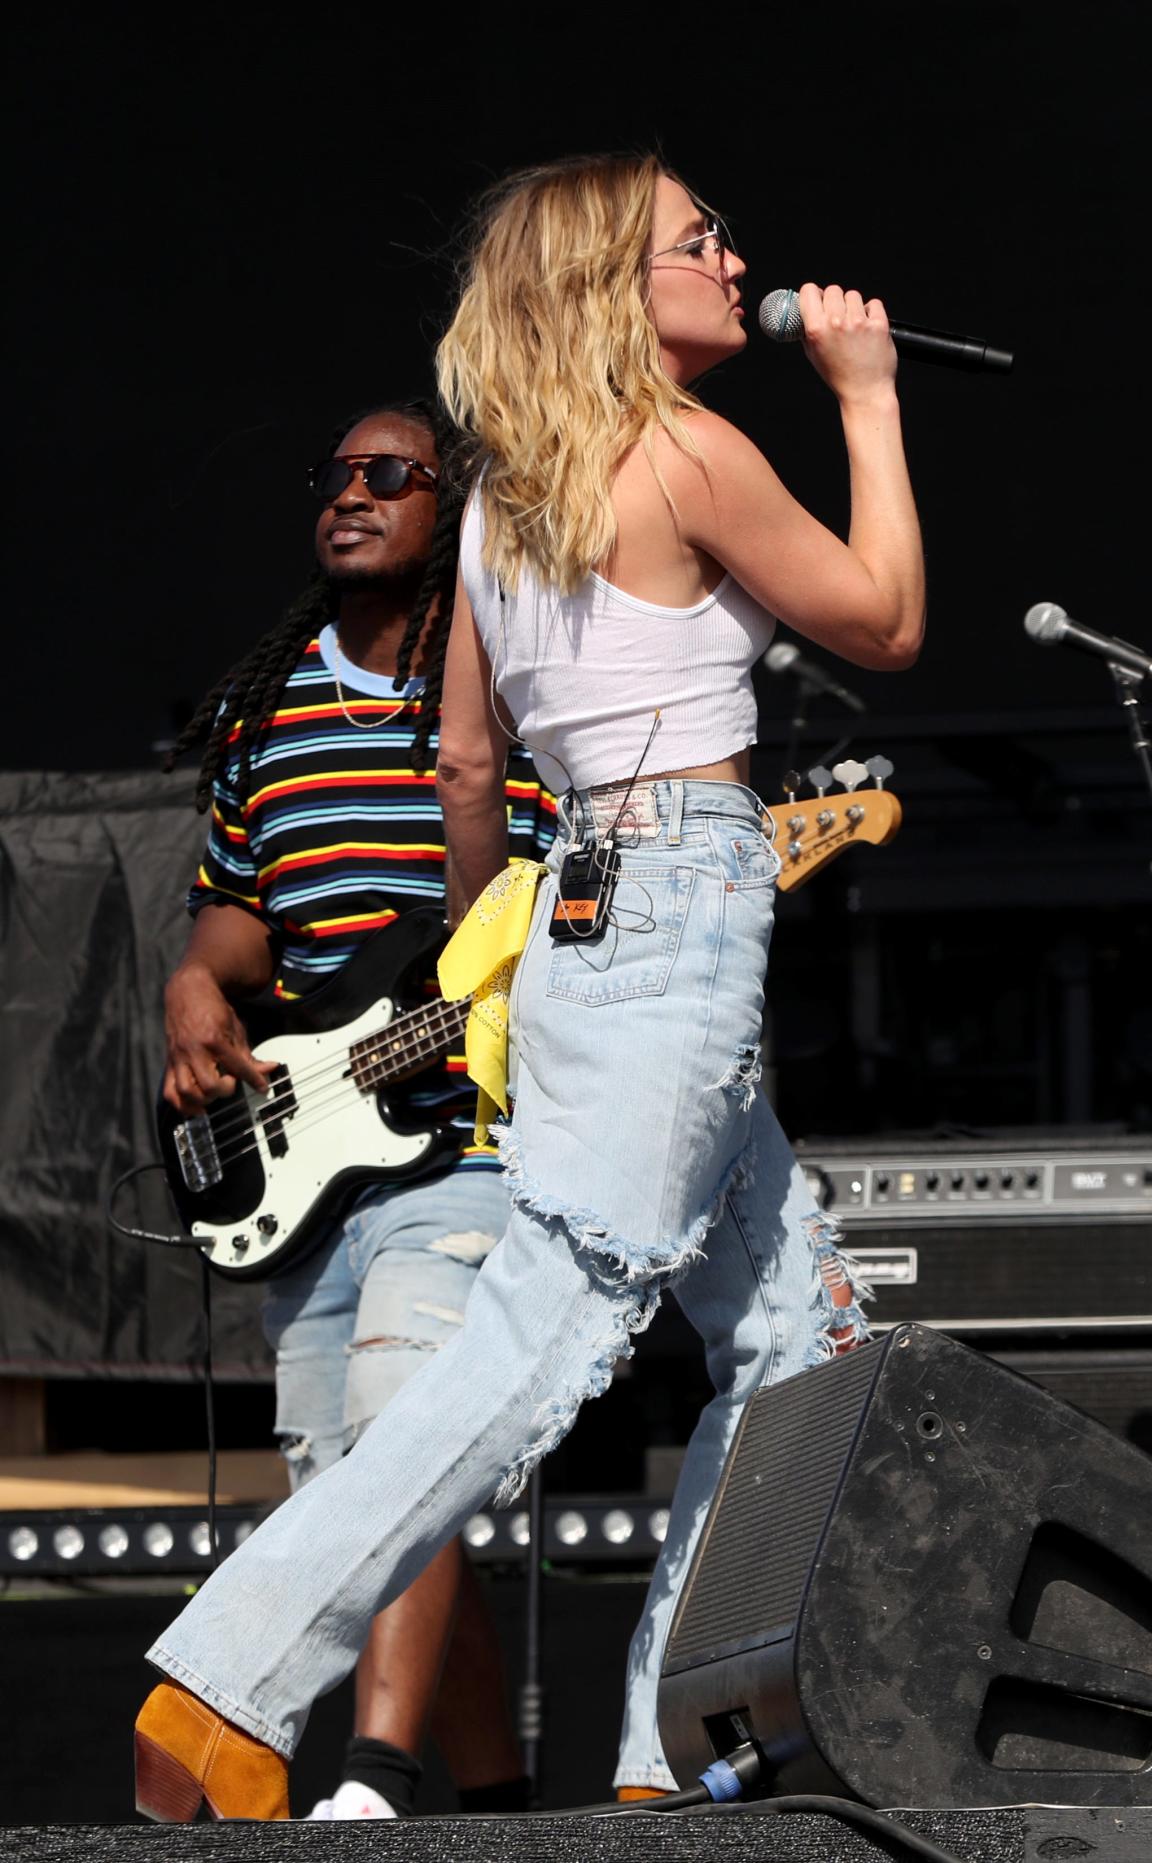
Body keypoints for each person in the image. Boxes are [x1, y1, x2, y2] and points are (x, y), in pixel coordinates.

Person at [135, 153, 924, 1821]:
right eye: (692, 240)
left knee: (800, 1342)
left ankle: (672, 1747)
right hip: (676, 895)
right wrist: (865, 396)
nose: (734, 256)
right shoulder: (691, 449)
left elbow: (468, 762)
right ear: (602, 288)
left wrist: (515, 944)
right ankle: (227, 1678)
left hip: (576, 918)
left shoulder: (505, 498)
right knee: (546, 1326)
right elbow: (888, 620)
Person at [158, 395, 552, 1819]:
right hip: (315, 1151)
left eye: (393, 475)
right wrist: (194, 994)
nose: (353, 493)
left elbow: (570, 898)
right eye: (335, 473)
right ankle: (503, 1807)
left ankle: (372, 1780)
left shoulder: (505, 680)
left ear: (453, 508)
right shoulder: (264, 708)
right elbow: (234, 915)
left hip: (468, 1138)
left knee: (405, 1440)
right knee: (361, 1493)